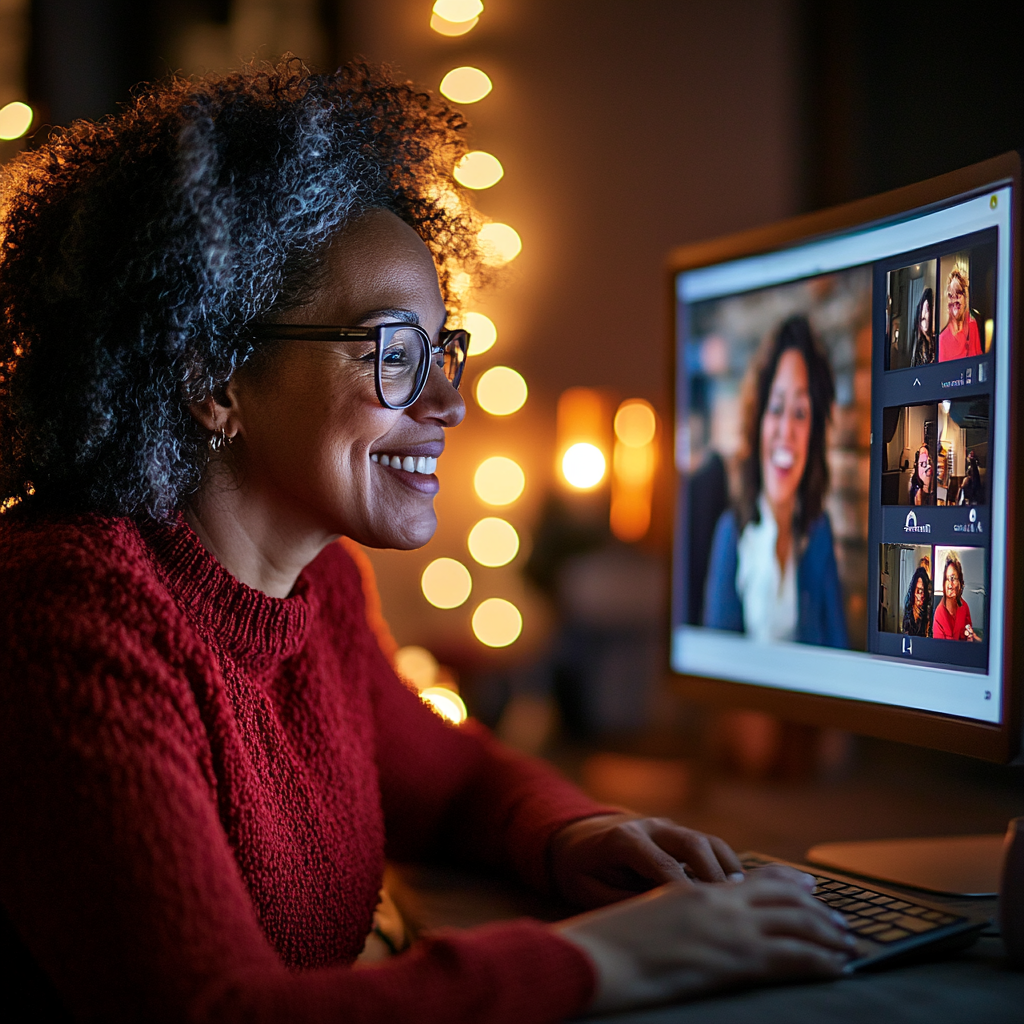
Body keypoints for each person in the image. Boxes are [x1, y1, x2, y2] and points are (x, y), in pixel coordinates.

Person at [0, 64, 851, 1022]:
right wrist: (604, 964)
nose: (448, 404)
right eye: (393, 353)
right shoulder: (69, 611)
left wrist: (578, 833)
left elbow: (452, 783)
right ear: (215, 376)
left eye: (443, 351)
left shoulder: (316, 588)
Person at [703, 316, 848, 648]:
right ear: (758, 422)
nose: (786, 431)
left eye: (800, 413)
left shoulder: (819, 530)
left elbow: (838, 651)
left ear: (813, 437)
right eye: (777, 408)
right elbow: (716, 666)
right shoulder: (731, 534)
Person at [932, 551, 981, 641]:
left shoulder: (964, 607)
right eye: (947, 579)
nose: (950, 584)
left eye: (953, 578)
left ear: (960, 582)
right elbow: (938, 651)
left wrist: (970, 638)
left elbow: (969, 636)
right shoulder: (939, 615)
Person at [937, 267, 982, 362]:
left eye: (958, 294)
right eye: (950, 295)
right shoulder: (942, 339)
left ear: (965, 298)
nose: (954, 300)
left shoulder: (972, 326)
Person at [901, 565, 932, 637]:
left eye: (923, 591)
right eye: (918, 591)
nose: (921, 595)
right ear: (913, 590)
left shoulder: (928, 613)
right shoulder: (908, 609)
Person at [909, 287, 935, 367]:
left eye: (927, 309)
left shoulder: (936, 342)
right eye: (922, 310)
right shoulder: (919, 346)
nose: (924, 315)